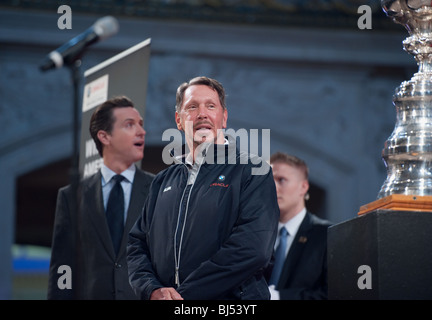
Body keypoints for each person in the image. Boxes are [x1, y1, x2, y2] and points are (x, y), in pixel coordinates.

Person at [127, 76, 279, 300]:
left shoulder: (252, 171)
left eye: (210, 105)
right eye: (192, 107)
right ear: (179, 120)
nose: (202, 114)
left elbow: (253, 249)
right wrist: (152, 289)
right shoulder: (162, 182)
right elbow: (137, 245)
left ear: (223, 117)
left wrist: (184, 296)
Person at [47, 96, 154, 299]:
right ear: (105, 137)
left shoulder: (158, 190)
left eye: (140, 124)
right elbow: (63, 266)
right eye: (129, 125)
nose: (142, 132)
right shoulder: (71, 196)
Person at [268, 152, 332, 300]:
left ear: (303, 187)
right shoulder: (258, 236)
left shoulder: (327, 235)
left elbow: (333, 294)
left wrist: (278, 297)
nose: (272, 187)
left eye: (281, 180)